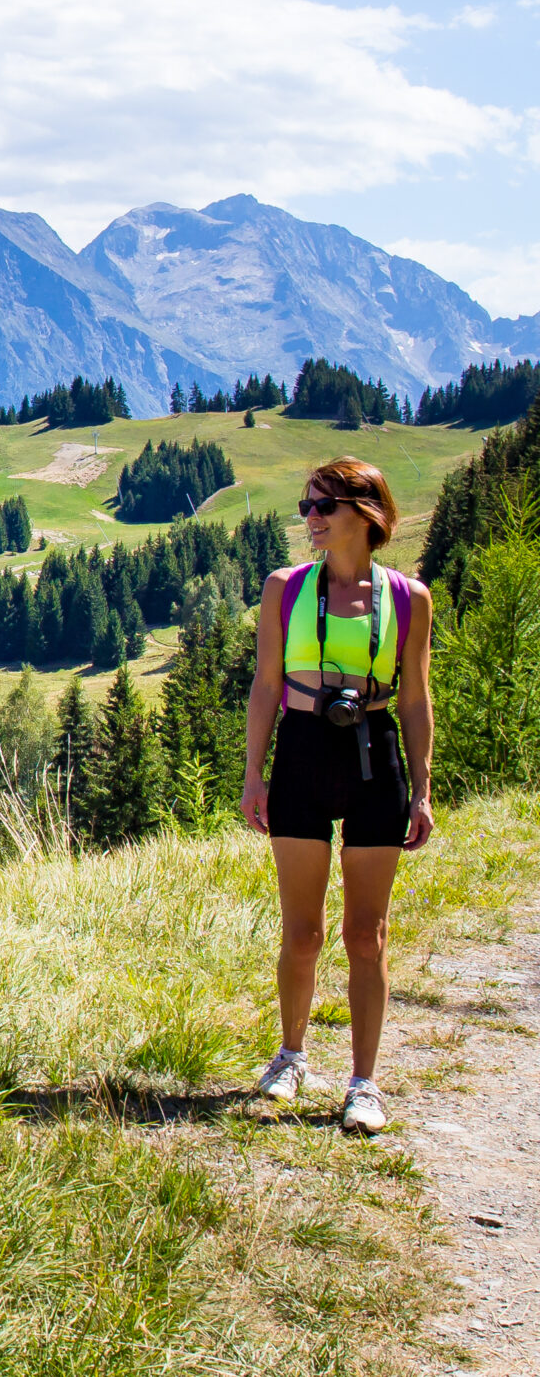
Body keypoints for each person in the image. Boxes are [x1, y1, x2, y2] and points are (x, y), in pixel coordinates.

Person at [240, 457, 434, 1135]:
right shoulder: (285, 589)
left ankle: (364, 1084)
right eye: (307, 507)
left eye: (324, 507)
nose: (312, 519)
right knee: (303, 932)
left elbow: (414, 697)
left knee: (366, 935)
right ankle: (290, 1056)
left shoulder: (408, 597)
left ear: (366, 511)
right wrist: (253, 774)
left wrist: (424, 788)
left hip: (375, 754)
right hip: (300, 748)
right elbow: (265, 685)